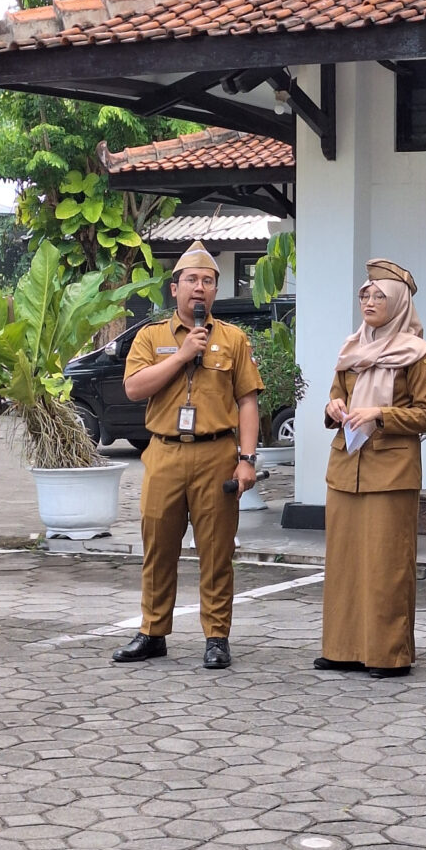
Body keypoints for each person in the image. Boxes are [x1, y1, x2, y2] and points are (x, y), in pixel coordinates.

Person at [112, 240, 263, 670]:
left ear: (215, 290)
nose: (200, 288)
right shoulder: (151, 336)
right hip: (163, 453)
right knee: (158, 546)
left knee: (216, 551)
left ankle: (217, 637)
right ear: (175, 288)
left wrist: (247, 458)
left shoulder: (233, 340)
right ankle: (152, 631)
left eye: (209, 281)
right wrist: (181, 356)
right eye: (192, 280)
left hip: (216, 454)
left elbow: (248, 401)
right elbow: (134, 388)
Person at [315, 258, 426, 679]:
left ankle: (388, 654)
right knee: (344, 563)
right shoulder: (351, 347)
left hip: (390, 471)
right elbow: (335, 401)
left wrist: (381, 414)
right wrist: (334, 410)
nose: (368, 300)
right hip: (346, 467)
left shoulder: (418, 354)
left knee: (386, 565)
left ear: (400, 302)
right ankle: (341, 649)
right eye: (364, 293)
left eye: (378, 295)